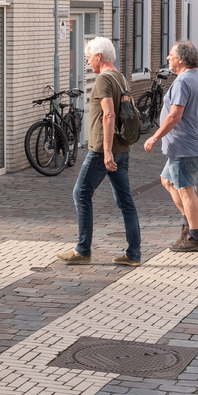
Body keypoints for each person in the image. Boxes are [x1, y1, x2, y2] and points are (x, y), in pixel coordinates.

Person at [57, 36, 141, 267]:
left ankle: (82, 250)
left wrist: (106, 151)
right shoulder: (120, 77)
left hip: (103, 151)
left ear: (99, 57)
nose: (88, 63)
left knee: (81, 194)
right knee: (126, 201)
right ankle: (133, 254)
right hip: (122, 148)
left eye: (89, 58)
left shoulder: (104, 79)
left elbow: (109, 114)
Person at [143, 40, 198, 252]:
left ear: (180, 59)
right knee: (167, 181)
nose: (168, 58)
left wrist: (154, 137)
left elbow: (174, 115)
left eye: (171, 55)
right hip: (188, 145)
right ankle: (189, 226)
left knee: (186, 189)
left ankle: (196, 237)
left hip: (183, 147)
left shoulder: (182, 82)